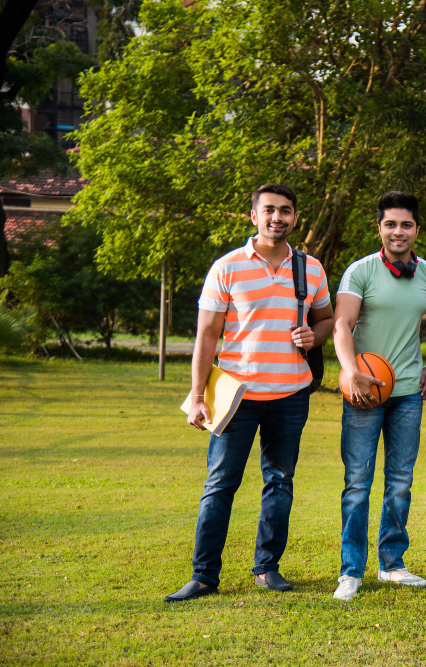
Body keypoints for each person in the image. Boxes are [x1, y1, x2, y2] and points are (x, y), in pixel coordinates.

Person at [166, 183, 334, 602]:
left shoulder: (310, 268)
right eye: (270, 210)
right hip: (236, 395)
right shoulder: (226, 267)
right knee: (220, 483)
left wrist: (314, 334)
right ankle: (204, 576)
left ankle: (267, 568)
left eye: (286, 211)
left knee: (279, 481)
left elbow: (328, 320)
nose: (278, 217)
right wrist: (198, 395)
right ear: (254, 216)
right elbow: (207, 335)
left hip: (291, 394)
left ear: (295, 218)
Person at [332, 191, 426, 602]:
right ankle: (351, 571)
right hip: (363, 395)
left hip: (407, 395)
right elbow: (341, 326)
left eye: (406, 224)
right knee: (358, 483)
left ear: (417, 230)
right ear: (379, 228)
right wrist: (352, 374)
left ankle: (392, 564)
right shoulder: (360, 272)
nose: (398, 231)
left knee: (399, 483)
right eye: (390, 224)